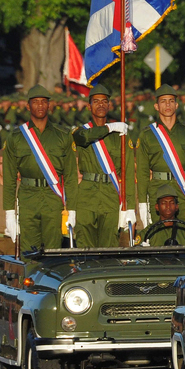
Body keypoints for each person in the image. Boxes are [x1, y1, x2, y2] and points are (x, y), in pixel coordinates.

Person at [2, 85, 79, 253]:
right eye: (35, 102)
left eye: (44, 102)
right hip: (28, 197)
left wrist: (72, 209)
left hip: (53, 197)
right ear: (28, 106)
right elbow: (8, 177)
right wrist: (9, 212)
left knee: (53, 250)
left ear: (49, 105)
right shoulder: (16, 137)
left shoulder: (62, 135)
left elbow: (71, 175)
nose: (40, 106)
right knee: (29, 252)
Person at [70, 84, 135, 247]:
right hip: (86, 193)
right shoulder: (81, 131)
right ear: (89, 106)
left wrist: (129, 207)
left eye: (104, 101)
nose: (100, 105)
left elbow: (127, 172)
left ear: (109, 105)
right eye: (96, 101)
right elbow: (83, 138)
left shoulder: (120, 136)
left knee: (109, 245)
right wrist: (110, 127)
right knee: (85, 245)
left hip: (110, 194)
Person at [135, 84, 185, 227]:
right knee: (158, 236)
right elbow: (142, 172)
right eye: (163, 101)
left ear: (176, 105)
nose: (167, 104)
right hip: (157, 189)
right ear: (156, 106)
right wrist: (142, 202)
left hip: (182, 189)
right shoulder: (147, 134)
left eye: (171, 101)